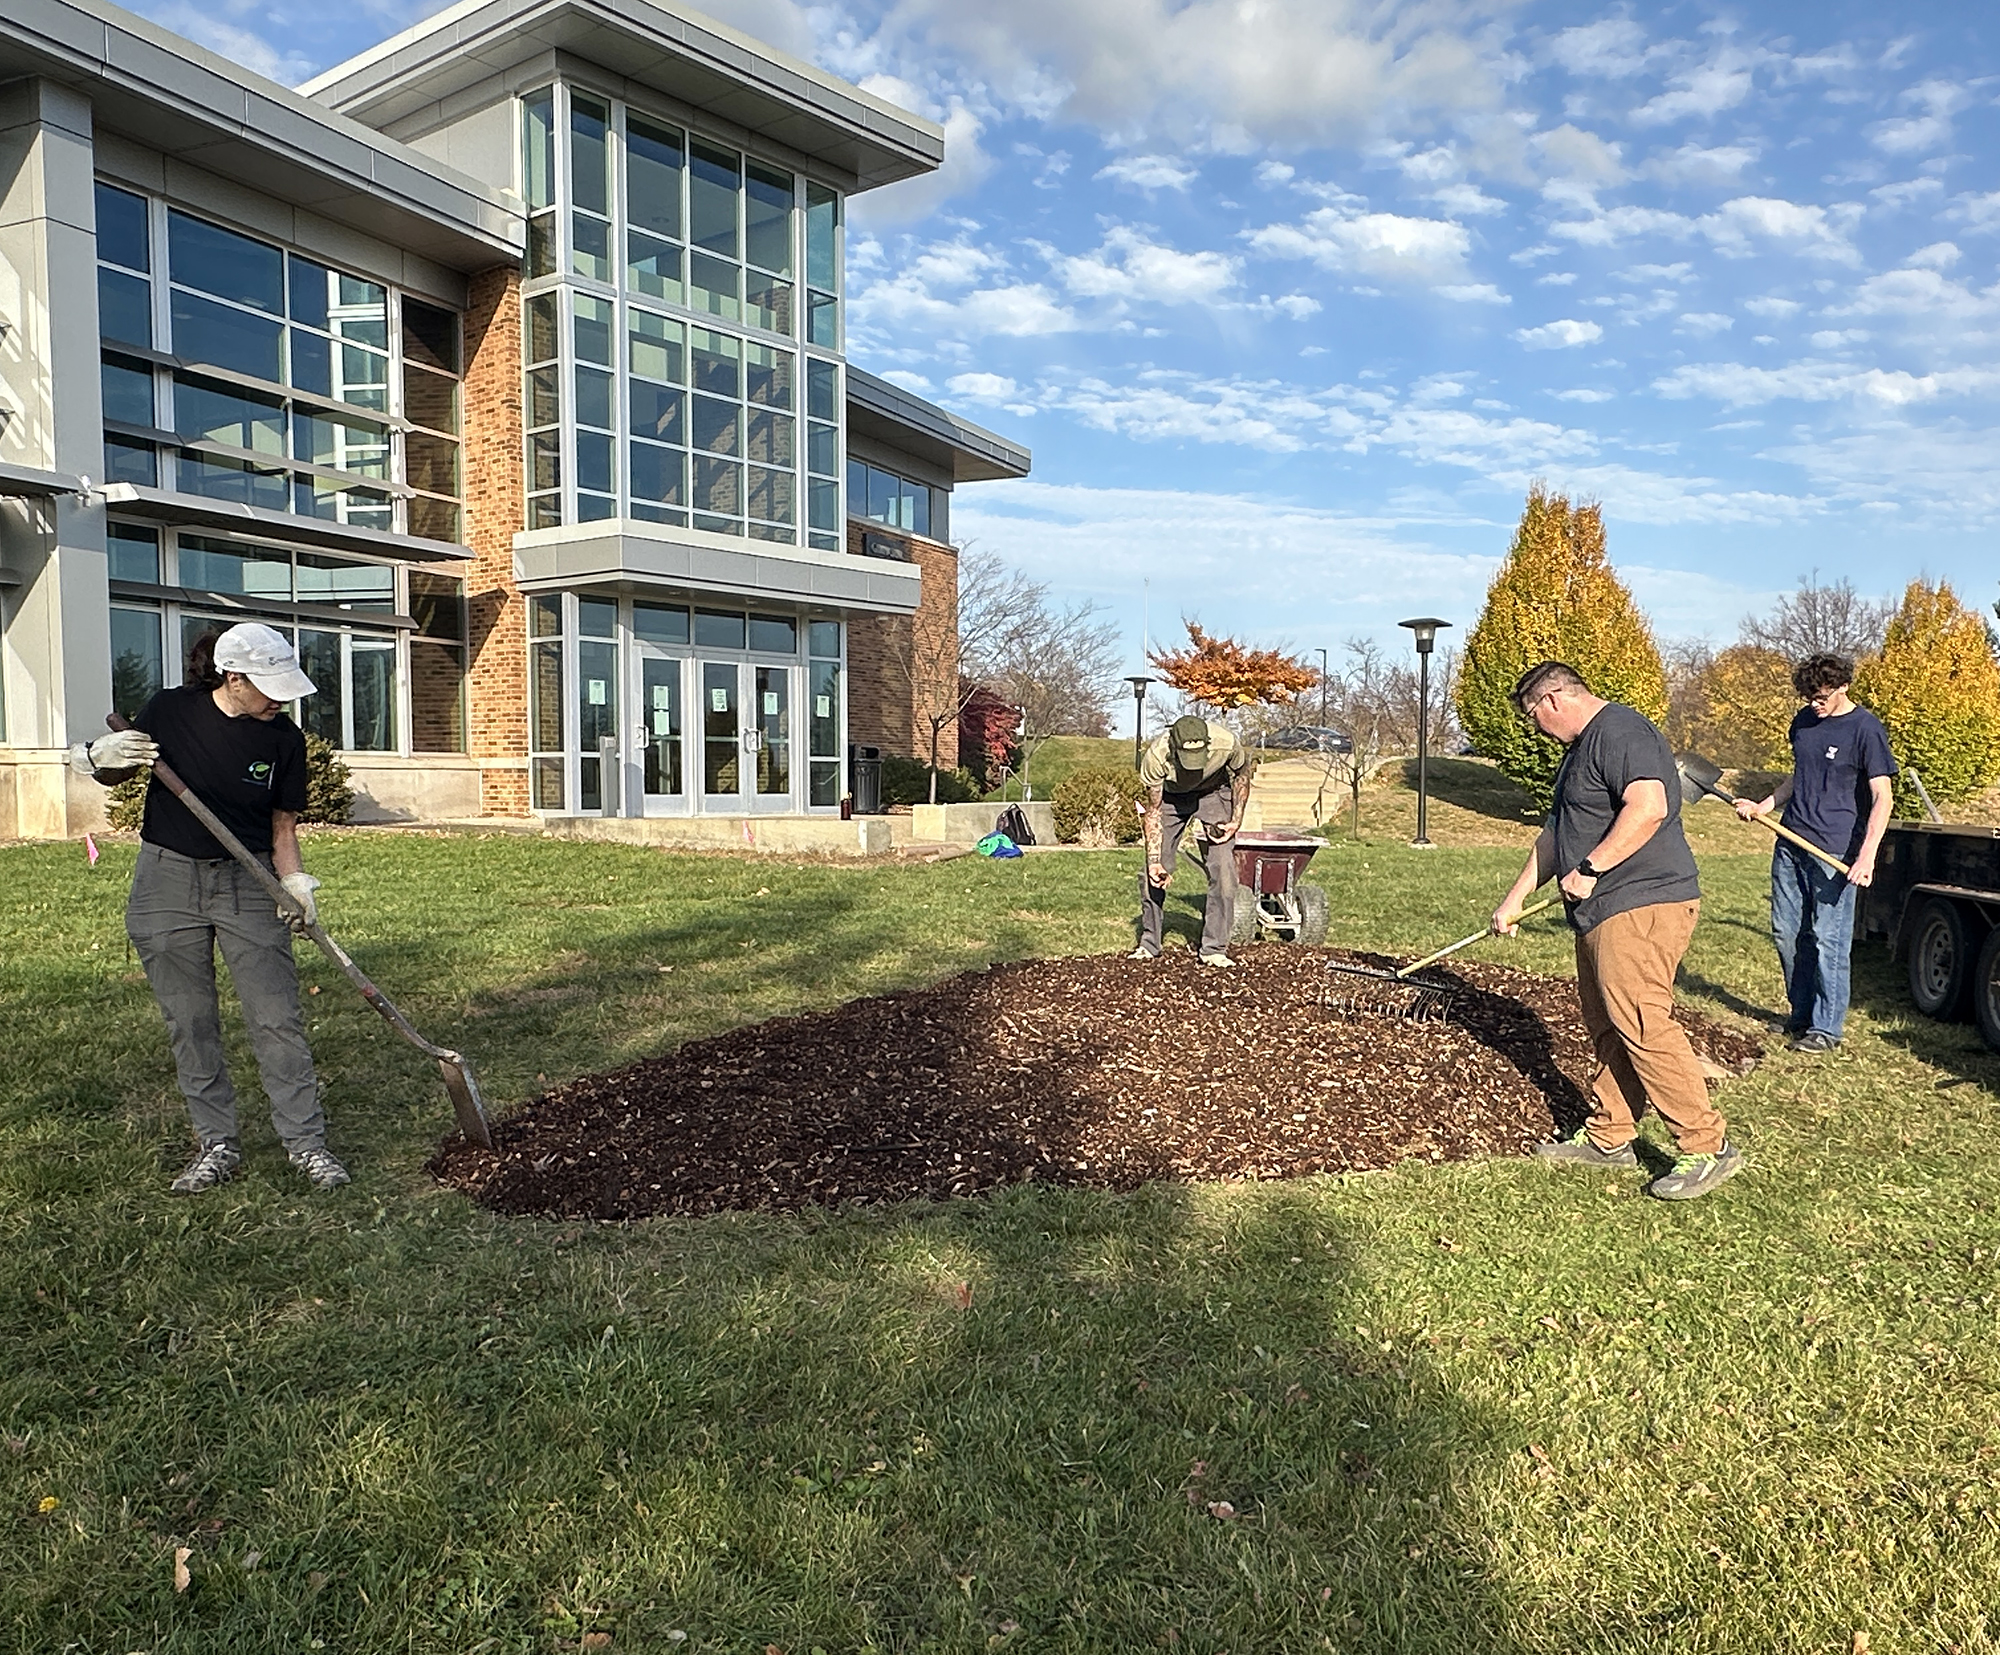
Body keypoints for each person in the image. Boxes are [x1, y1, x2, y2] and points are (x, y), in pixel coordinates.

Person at [72, 623, 348, 1195]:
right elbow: (119, 768)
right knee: (191, 1021)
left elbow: (283, 826)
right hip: (166, 881)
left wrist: (295, 883)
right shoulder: (170, 711)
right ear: (233, 676)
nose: (280, 699)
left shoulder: (284, 741)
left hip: (248, 880)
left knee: (277, 1017)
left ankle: (306, 1144)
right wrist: (97, 755)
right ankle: (216, 1143)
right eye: (267, 687)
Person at [1491, 662, 1740, 1201]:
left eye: (1534, 717)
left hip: (1642, 900)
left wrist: (1592, 868)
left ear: (1552, 701)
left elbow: (1648, 808)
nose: (1537, 728)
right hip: (1601, 908)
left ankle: (1706, 1146)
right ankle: (1610, 1136)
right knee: (1608, 1023)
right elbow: (1557, 836)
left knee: (1642, 1021)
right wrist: (1512, 903)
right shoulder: (1578, 753)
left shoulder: (1621, 731)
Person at [1733, 652, 1896, 1053]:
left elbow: (1882, 797)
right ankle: (1801, 1014)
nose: (1814, 704)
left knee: (1828, 939)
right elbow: (1799, 775)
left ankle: (1826, 1028)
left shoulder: (1865, 729)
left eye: (1821, 696)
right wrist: (1765, 805)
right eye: (1808, 697)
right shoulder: (1803, 723)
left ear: (1842, 687)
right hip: (1791, 842)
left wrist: (1867, 855)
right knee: (1787, 933)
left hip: (1835, 851)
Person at [1133, 716, 1254, 967]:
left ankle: (1214, 949)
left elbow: (1242, 773)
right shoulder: (1157, 756)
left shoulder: (1226, 742)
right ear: (1174, 748)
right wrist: (1154, 860)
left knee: (1223, 869)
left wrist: (1236, 818)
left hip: (1212, 793)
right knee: (1152, 873)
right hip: (1170, 799)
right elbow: (1153, 811)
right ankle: (1149, 943)